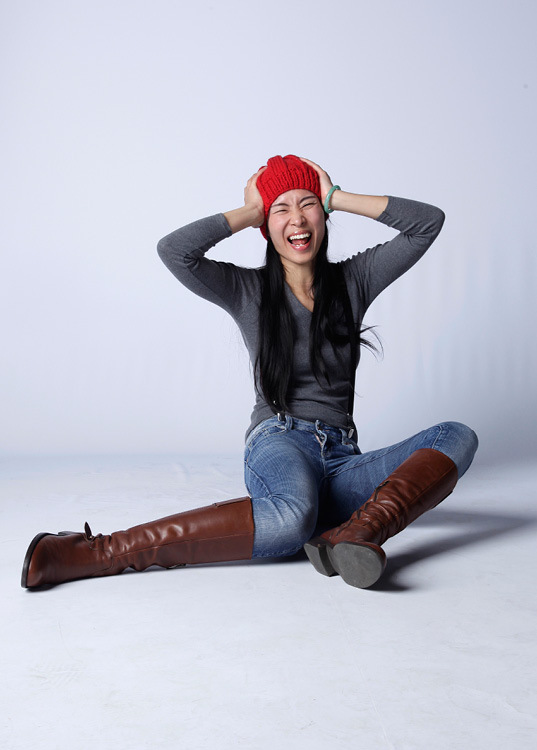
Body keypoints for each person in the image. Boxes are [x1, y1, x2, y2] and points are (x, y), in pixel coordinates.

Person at [21, 155, 478, 590]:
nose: (297, 220)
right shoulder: (248, 290)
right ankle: (98, 552)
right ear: (266, 225)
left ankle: (356, 534)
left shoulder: (354, 281)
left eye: (308, 205)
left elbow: (427, 223)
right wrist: (250, 210)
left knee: (456, 436)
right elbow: (174, 251)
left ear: (323, 215)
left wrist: (336, 196)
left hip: (342, 458)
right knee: (291, 519)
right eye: (281, 209)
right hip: (280, 440)